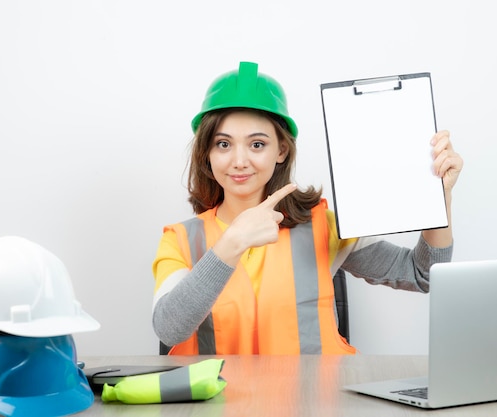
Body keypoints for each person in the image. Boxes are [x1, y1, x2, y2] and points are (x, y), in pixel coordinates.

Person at [152, 61, 463, 355]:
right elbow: (169, 329)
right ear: (207, 152)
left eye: (257, 144)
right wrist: (232, 243)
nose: (239, 160)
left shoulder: (322, 227)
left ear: (281, 150)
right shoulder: (179, 240)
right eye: (223, 144)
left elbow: (422, 274)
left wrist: (438, 195)